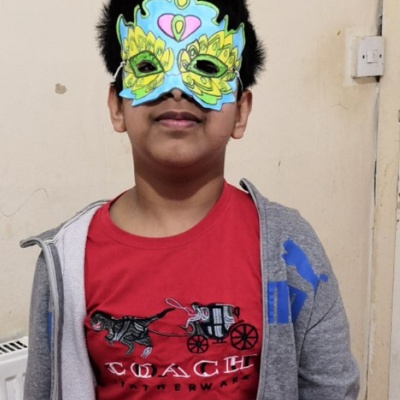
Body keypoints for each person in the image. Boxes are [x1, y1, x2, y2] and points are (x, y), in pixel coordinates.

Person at [21, 0, 360, 398]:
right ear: (116, 107)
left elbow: (331, 386)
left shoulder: (289, 249)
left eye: (206, 68)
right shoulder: (66, 260)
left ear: (240, 113)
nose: (177, 88)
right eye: (149, 66)